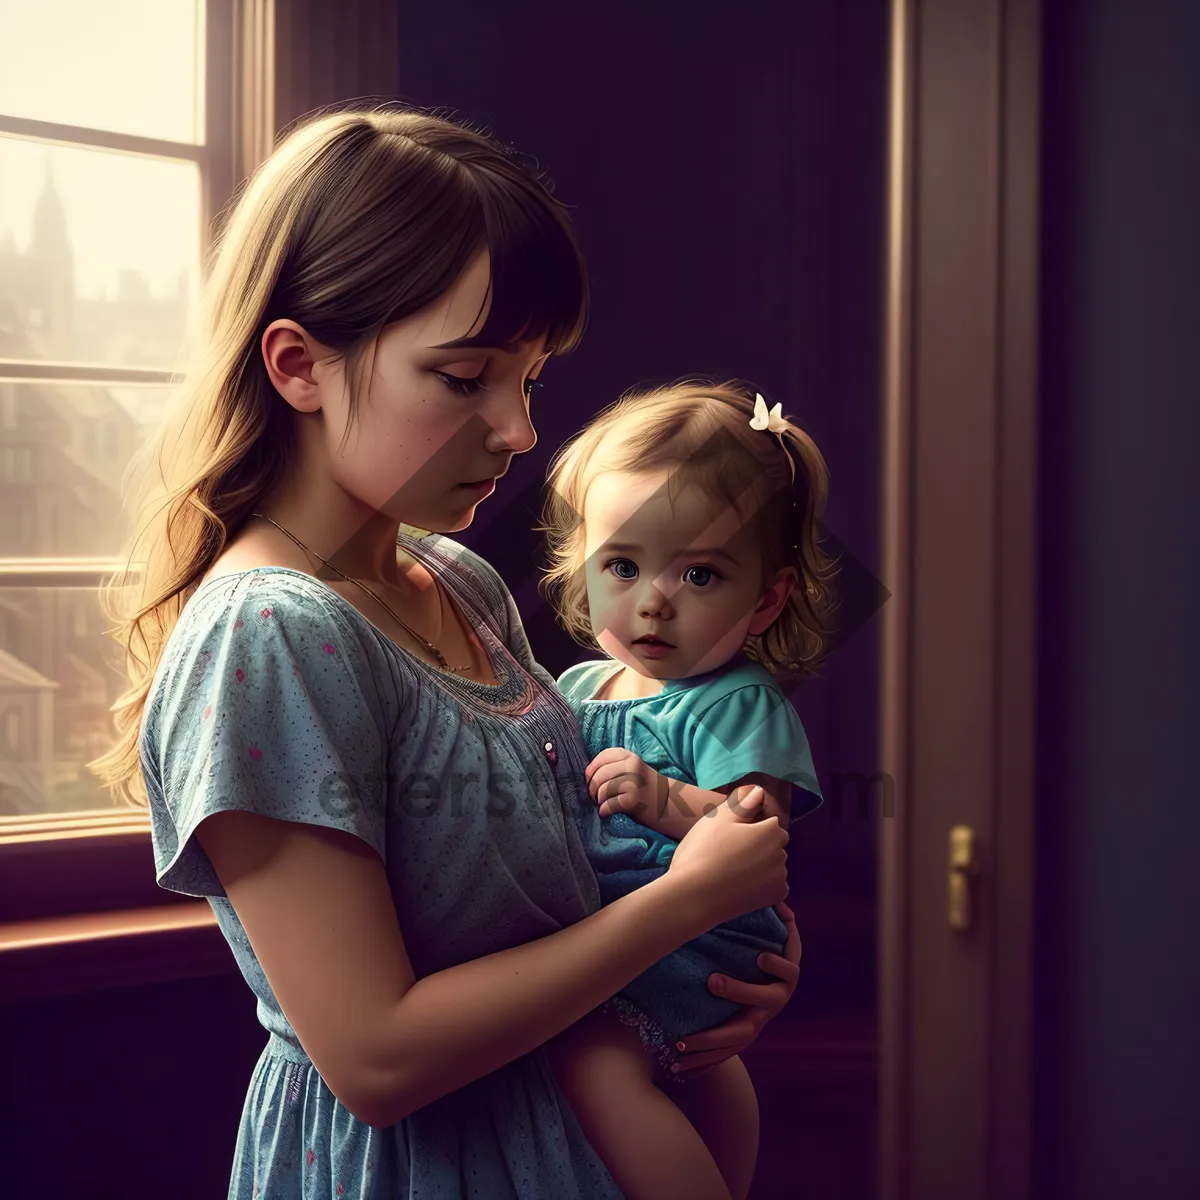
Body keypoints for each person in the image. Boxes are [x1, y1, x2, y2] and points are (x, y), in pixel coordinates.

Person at [90, 104, 800, 1199]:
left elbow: (560, 892)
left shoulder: (456, 581)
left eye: (531, 378)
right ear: (297, 366)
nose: (516, 430)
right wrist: (682, 908)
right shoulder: (269, 634)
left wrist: (710, 968)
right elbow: (376, 1059)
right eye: (466, 379)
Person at [538, 381, 835, 1199]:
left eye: (701, 575)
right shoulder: (584, 685)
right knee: (704, 1069)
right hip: (637, 926)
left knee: (594, 1064)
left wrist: (665, 799)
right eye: (623, 567)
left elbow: (755, 831)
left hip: (703, 931)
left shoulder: (734, 701)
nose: (654, 602)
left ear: (766, 598)